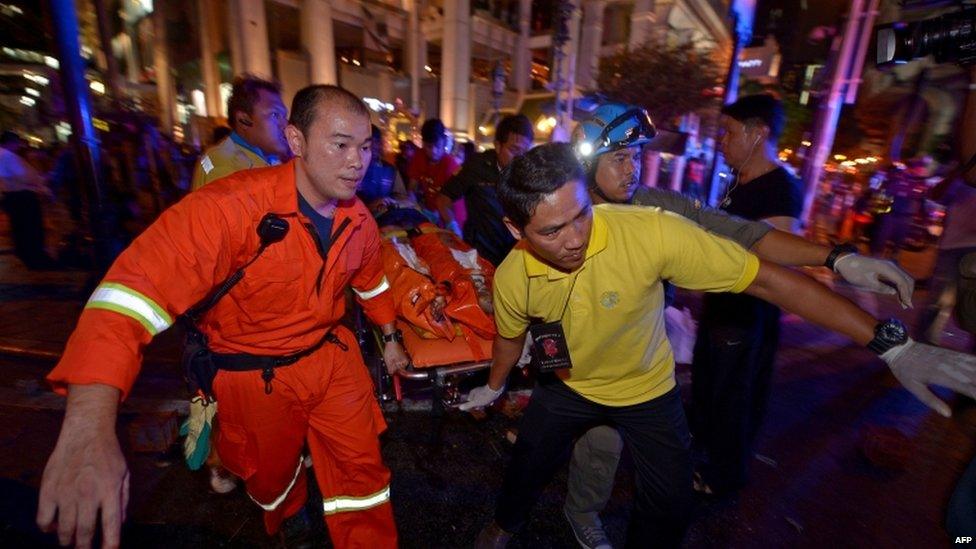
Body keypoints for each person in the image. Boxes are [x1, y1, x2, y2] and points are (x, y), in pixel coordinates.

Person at [463, 142, 976, 548]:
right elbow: (511, 338)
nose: (575, 237)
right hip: (569, 386)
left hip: (646, 390)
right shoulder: (512, 276)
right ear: (516, 230)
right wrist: (493, 386)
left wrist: (893, 345)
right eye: (553, 230)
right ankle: (504, 525)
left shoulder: (649, 233)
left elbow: (765, 280)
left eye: (581, 215)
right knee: (527, 464)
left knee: (669, 505)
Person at [35, 85, 409, 548]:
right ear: (296, 141)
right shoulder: (228, 209)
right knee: (271, 477)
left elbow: (370, 283)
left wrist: (389, 336)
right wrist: (88, 426)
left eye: (366, 146)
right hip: (255, 378)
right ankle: (289, 518)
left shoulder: (360, 221)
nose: (358, 161)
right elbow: (128, 295)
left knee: (364, 474)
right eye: (340, 144)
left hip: (333, 361)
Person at [553, 101, 916, 548]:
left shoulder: (657, 206)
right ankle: (581, 512)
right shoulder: (563, 212)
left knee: (668, 485)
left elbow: (738, 232)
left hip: (648, 367)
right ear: (589, 160)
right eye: (620, 158)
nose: (634, 169)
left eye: (638, 156)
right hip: (593, 365)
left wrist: (837, 257)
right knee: (598, 451)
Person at [436, 114, 534, 266]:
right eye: (514, 151)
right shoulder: (477, 166)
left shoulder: (528, 173)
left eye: (524, 152)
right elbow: (443, 199)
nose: (519, 159)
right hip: (478, 255)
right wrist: (452, 226)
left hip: (514, 256)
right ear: (497, 145)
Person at [191, 75, 291, 191]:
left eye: (284, 116)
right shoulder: (224, 169)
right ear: (244, 120)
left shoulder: (268, 159)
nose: (286, 125)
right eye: (275, 115)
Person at [0, 131, 57, 270]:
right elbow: (24, 176)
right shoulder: (8, 156)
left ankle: (28, 255)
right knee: (30, 228)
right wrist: (41, 181)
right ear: (12, 142)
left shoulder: (4, 155)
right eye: (17, 142)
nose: (19, 146)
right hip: (22, 196)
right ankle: (35, 258)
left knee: (20, 228)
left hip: (12, 196)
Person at [406, 118, 461, 218]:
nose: (433, 151)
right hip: (429, 214)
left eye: (437, 146)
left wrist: (443, 218)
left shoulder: (450, 165)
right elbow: (412, 186)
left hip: (453, 215)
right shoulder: (419, 157)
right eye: (428, 146)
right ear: (423, 143)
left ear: (444, 142)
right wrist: (411, 198)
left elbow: (452, 201)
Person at [358, 124, 410, 208]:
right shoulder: (354, 168)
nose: (374, 146)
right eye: (370, 143)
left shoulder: (390, 170)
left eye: (377, 142)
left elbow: (403, 198)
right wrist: (371, 206)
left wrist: (391, 202)